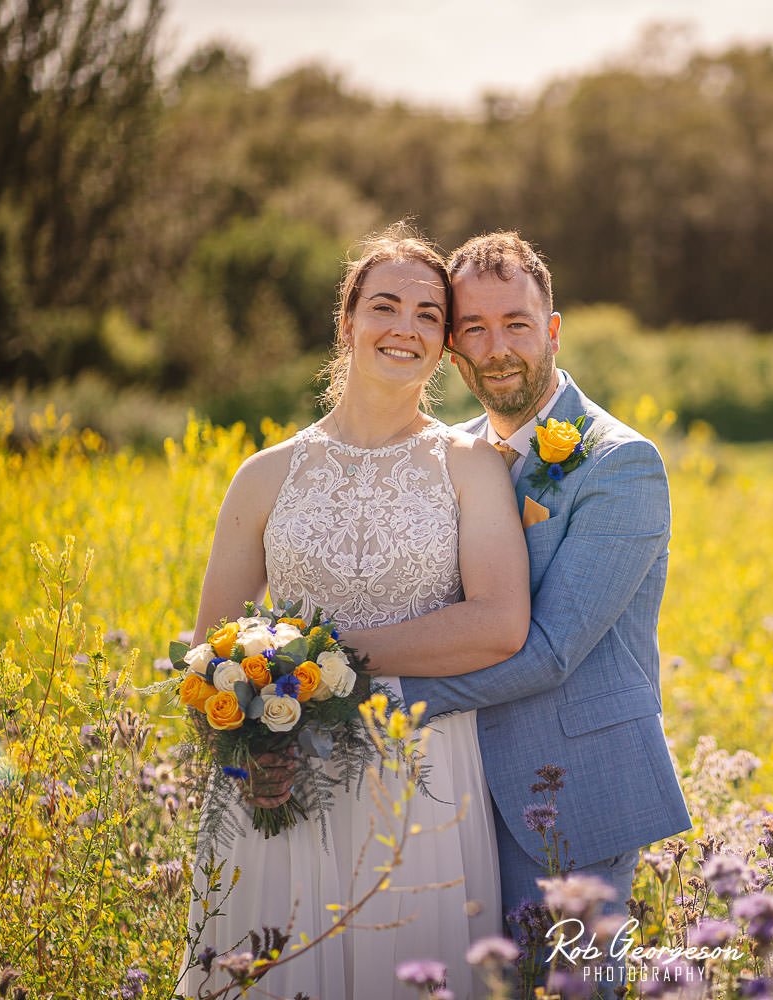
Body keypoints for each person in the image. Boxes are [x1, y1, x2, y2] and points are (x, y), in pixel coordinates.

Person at [181, 225, 530, 1000]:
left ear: (444, 345)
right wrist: (247, 749)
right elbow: (208, 652)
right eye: (384, 305)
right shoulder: (264, 475)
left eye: (429, 315)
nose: (405, 327)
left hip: (421, 770)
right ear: (347, 321)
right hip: (284, 775)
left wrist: (328, 663)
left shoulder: (471, 467)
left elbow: (501, 623)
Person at [337, 232, 694, 955]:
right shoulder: (452, 452)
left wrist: (367, 697)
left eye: (517, 325)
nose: (497, 347)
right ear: (453, 347)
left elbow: (552, 651)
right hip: (452, 786)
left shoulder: (620, 464)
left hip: (573, 795)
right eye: (474, 327)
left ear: (553, 331)